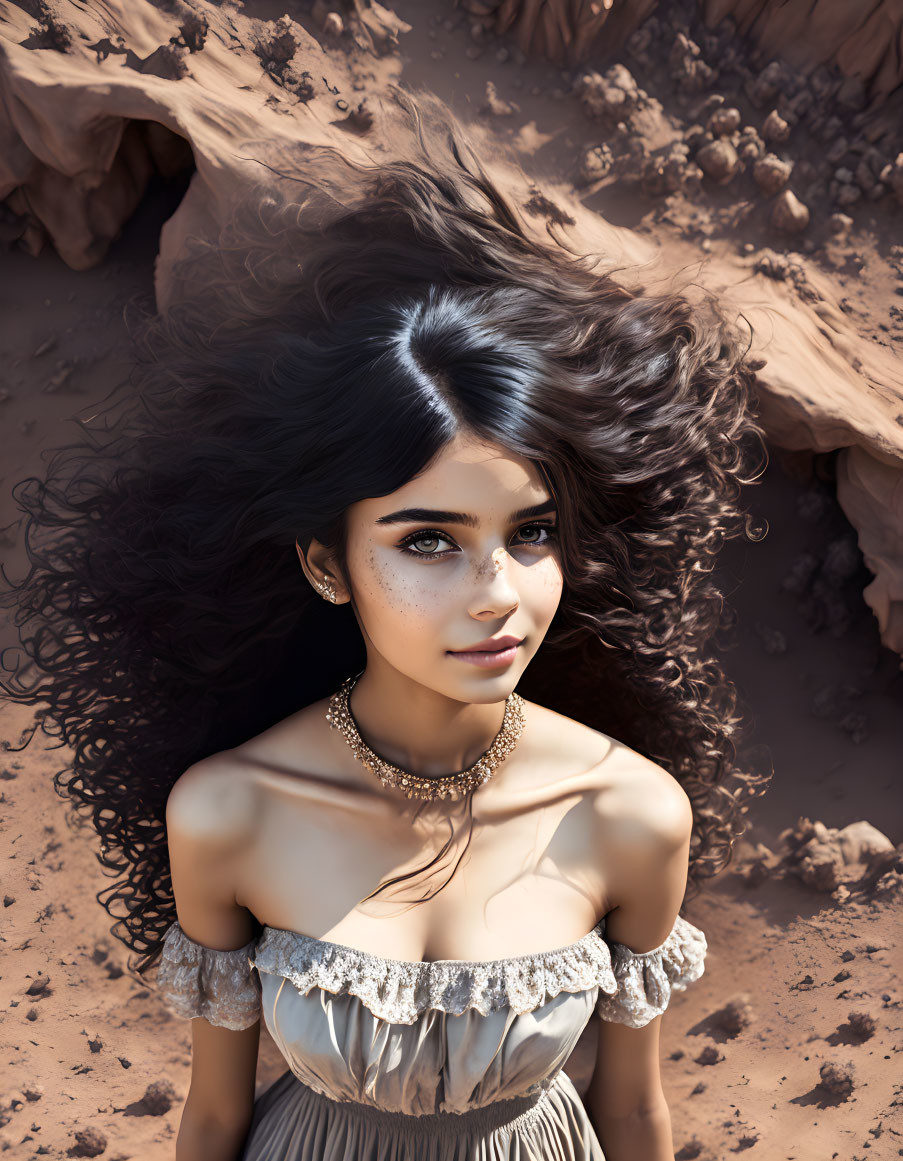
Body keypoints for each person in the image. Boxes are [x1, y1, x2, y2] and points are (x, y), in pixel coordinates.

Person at [0, 88, 769, 1161]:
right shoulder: (229, 813)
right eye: (427, 541)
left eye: (533, 532)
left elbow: (632, 1111)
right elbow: (216, 1115)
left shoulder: (632, 812)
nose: (496, 591)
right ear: (326, 563)